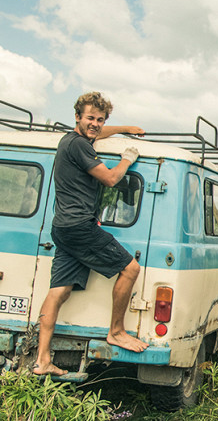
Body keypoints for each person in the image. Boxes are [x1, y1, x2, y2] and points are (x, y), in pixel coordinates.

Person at [34, 92, 147, 377]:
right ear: (77, 117)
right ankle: (116, 331)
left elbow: (95, 132)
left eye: (100, 119)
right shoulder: (79, 145)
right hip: (80, 226)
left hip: (62, 228)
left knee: (59, 291)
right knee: (130, 269)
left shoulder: (70, 141)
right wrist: (126, 160)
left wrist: (124, 128)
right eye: (90, 118)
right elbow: (110, 178)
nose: (95, 124)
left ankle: (42, 360)